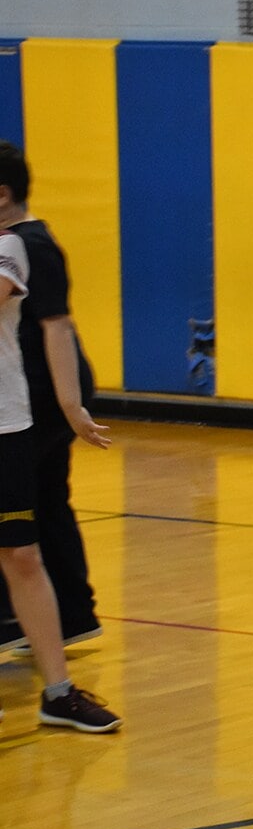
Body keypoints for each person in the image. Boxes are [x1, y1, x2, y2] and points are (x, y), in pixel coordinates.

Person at [0, 203, 121, 733]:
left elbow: (55, 325)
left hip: (7, 424)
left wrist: (73, 407)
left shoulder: (12, 246)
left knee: (23, 555)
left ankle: (58, 693)